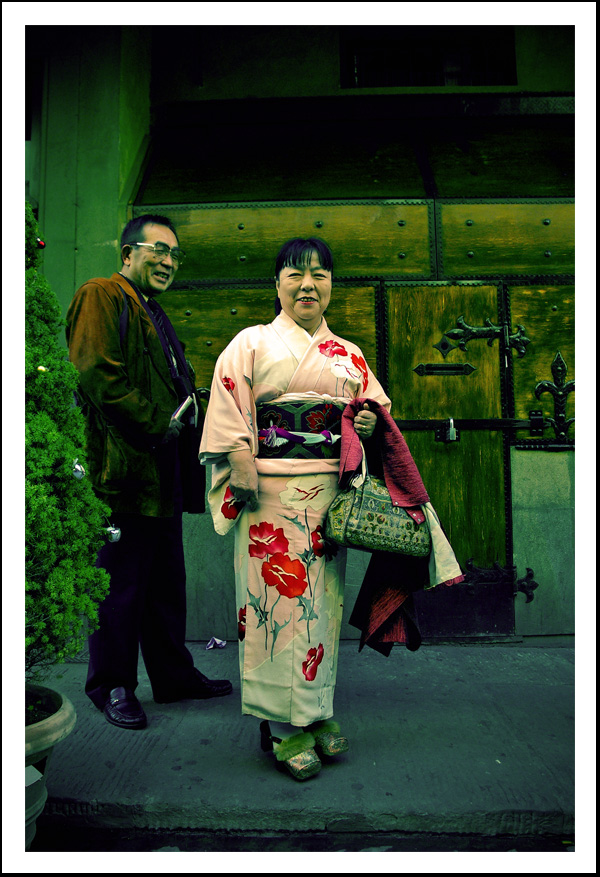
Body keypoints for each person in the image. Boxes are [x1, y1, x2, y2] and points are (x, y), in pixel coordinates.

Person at [199, 237, 391, 779]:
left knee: (321, 607)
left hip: (328, 495)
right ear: (277, 283)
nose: (308, 285)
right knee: (275, 609)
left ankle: (315, 710)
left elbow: (371, 407)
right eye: (295, 274)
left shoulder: (348, 353)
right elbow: (227, 403)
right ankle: (281, 729)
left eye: (320, 275)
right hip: (269, 496)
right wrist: (238, 456)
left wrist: (369, 423)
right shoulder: (250, 343)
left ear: (331, 285)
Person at [66, 214, 232, 730]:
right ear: (127, 254)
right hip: (122, 475)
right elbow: (98, 374)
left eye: (174, 255)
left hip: (161, 475)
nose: (167, 261)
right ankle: (111, 685)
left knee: (164, 586)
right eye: (157, 249)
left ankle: (173, 676)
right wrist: (159, 422)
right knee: (120, 589)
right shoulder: (102, 295)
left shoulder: (152, 311)